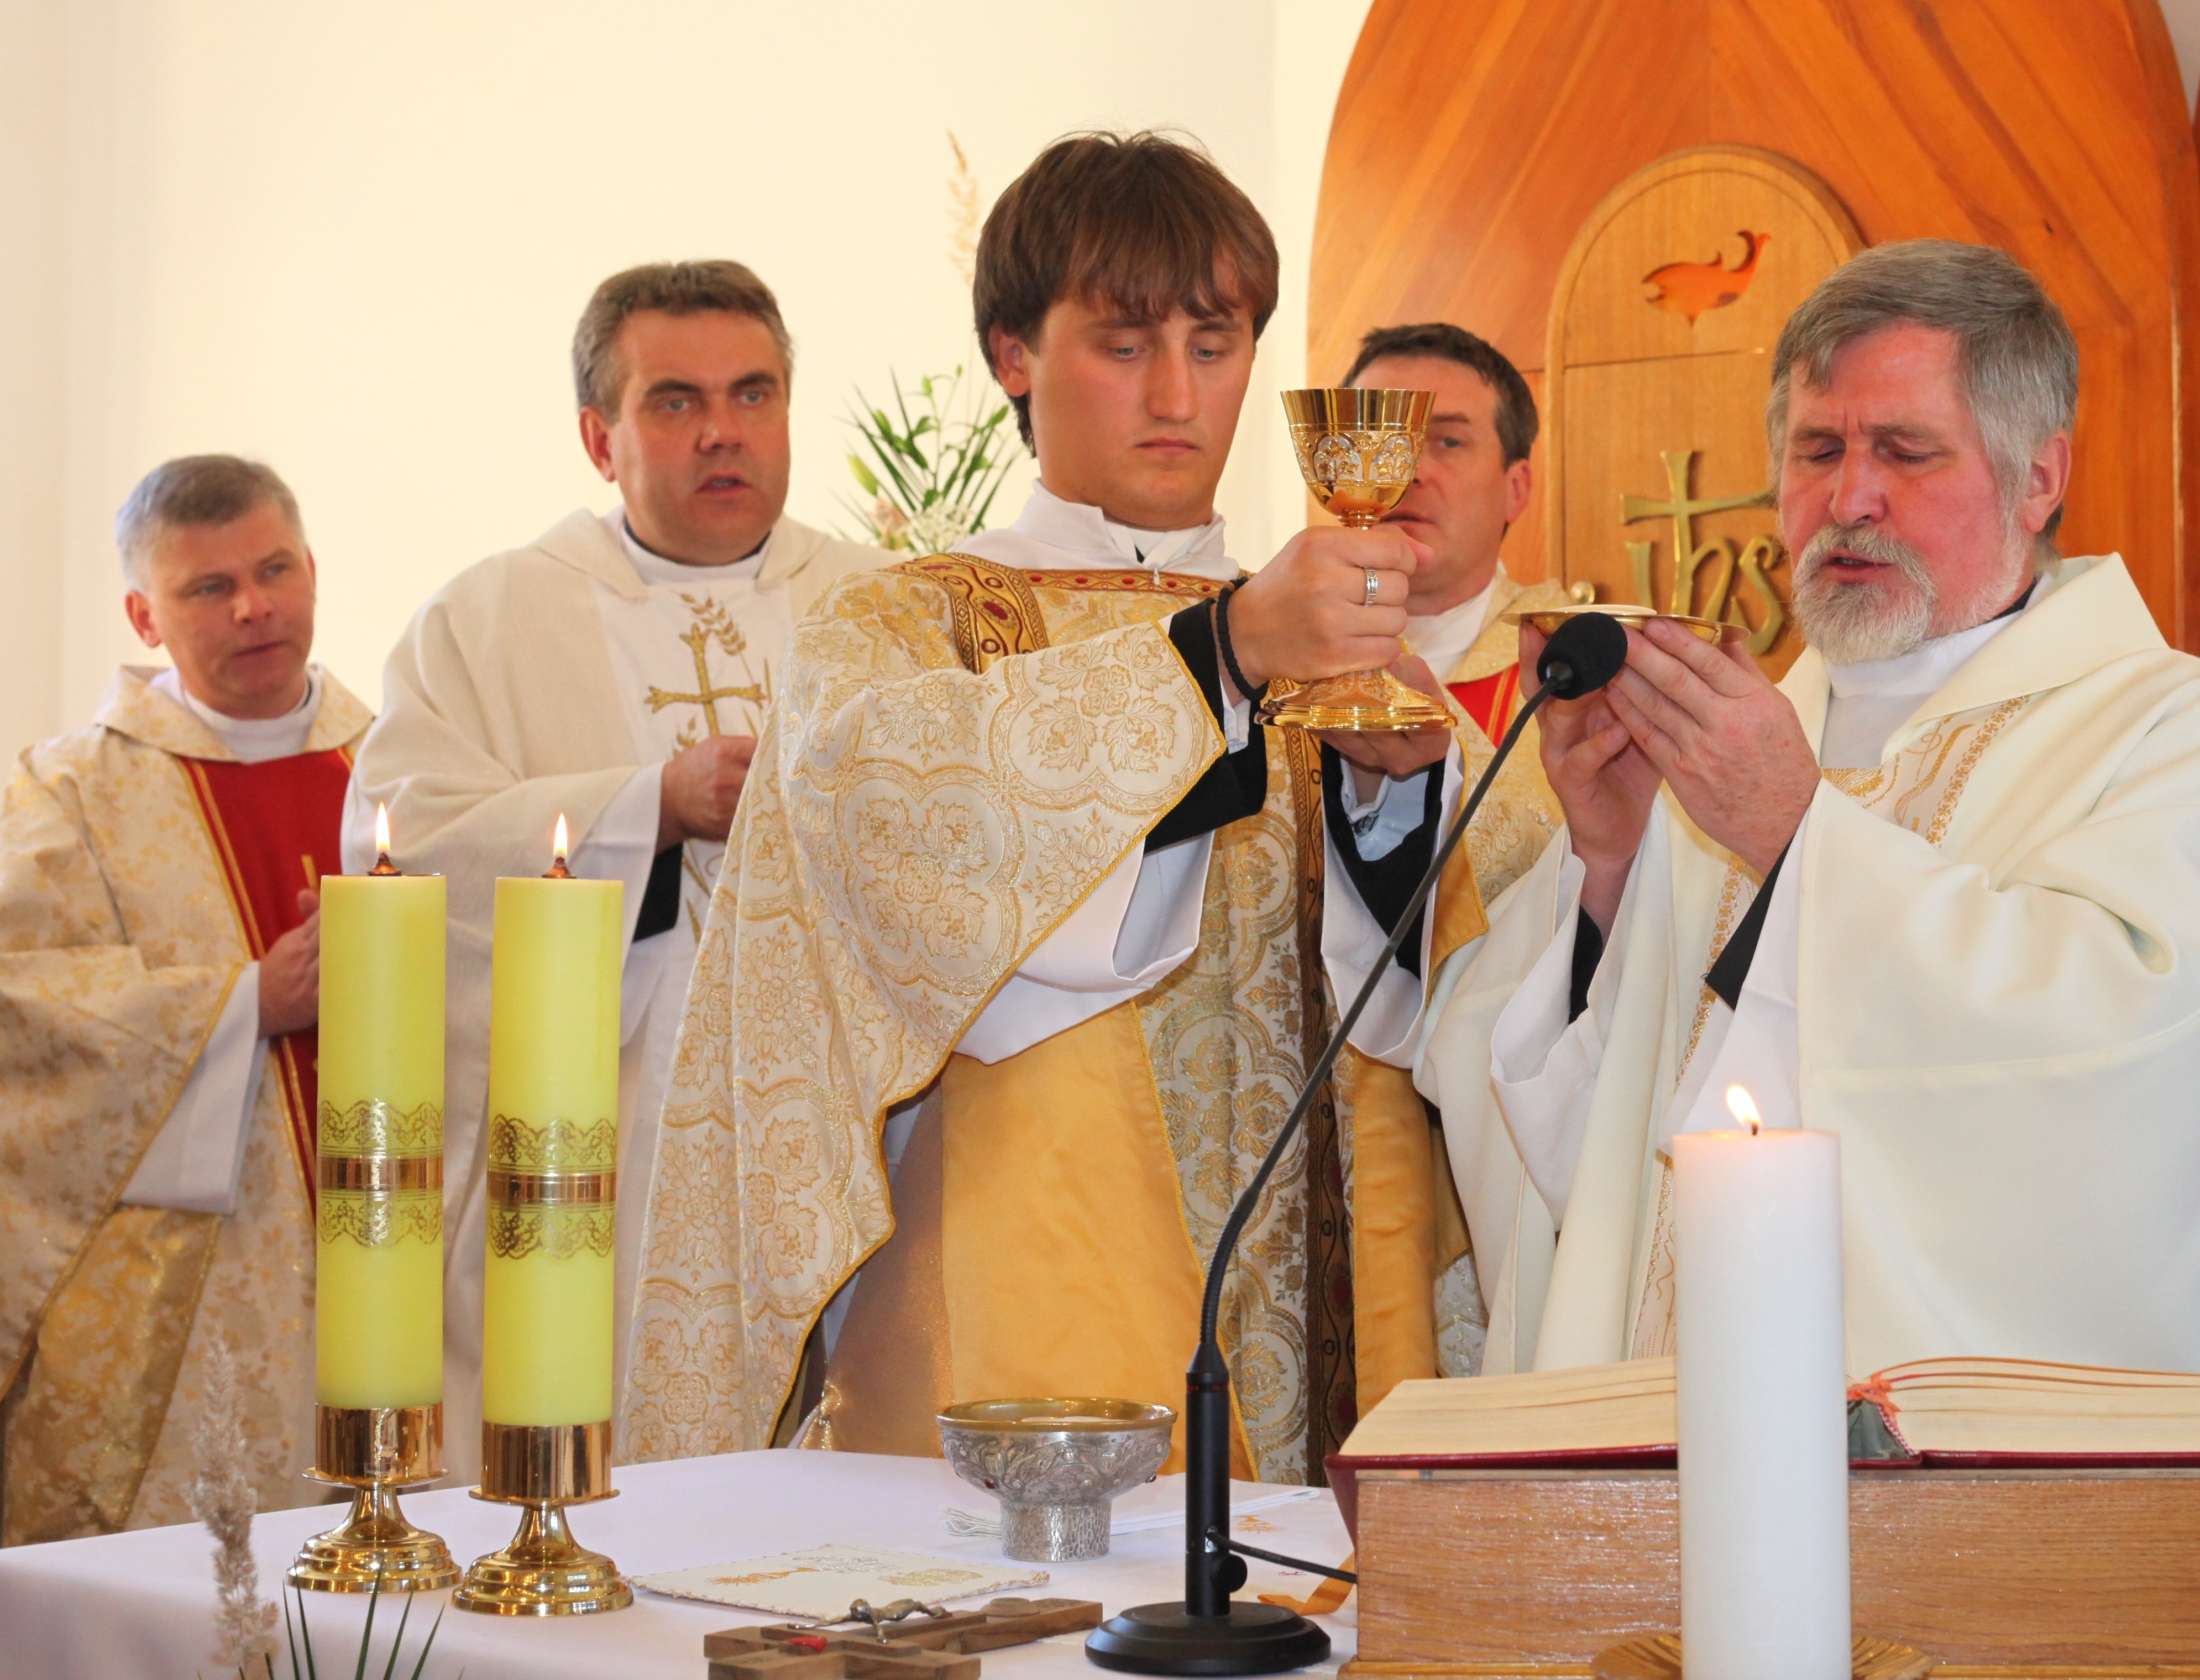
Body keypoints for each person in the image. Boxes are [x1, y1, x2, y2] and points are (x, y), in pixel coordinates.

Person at [624, 132, 1556, 1483]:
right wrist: (1220, 657)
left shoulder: (1332, 634)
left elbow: (1457, 977)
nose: (1177, 393)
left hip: (1322, 1286)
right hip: (1025, 1287)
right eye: (1122, 344)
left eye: (1215, 339)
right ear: (1012, 353)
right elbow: (914, 831)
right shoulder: (909, 620)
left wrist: (1392, 810)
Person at [1422, 240, 2200, 1380]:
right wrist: (1606, 869)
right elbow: (1588, 1153)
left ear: (2037, 477)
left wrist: (1801, 837)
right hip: (1668, 1432)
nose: (1847, 499)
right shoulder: (1735, 739)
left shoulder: (2178, 732)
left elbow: (2134, 1071)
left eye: (1904, 450)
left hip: (1964, 1476)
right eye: (1815, 451)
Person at [344, 261, 886, 1474]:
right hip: (601, 1141)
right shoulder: (488, 617)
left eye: (753, 393)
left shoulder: (879, 605)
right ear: (600, 436)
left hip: (844, 1132)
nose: (722, 431)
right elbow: (395, 839)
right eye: (673, 401)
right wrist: (646, 809)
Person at [0, 456, 369, 1543]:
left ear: (312, 569)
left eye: (274, 569)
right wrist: (250, 1000)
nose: (255, 607)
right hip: (200, 1303)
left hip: (415, 1252)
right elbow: (25, 1010)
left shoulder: (406, 767)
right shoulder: (67, 790)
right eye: (209, 587)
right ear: (142, 614)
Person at [1344, 322, 1542, 743]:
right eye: (1377, 441)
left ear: (1515, 489)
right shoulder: (1271, 654)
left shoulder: (1583, 676)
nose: (1408, 472)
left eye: (1449, 442)